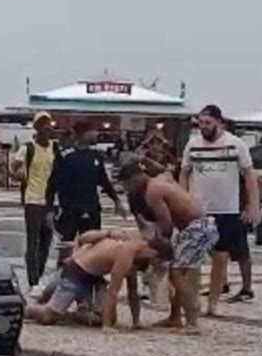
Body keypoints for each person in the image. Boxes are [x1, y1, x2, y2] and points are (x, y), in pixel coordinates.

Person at [120, 162, 218, 333]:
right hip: (200, 225)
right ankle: (175, 317)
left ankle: (192, 322)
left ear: (135, 178)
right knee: (178, 271)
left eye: (128, 185)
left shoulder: (152, 192)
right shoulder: (161, 179)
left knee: (176, 273)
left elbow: (167, 225)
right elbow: (167, 172)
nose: (129, 190)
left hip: (196, 227)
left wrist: (152, 237)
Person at [180, 105, 259, 317]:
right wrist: (184, 199)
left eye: (207, 123)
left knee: (221, 257)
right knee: (193, 255)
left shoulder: (236, 144)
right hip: (199, 210)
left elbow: (250, 176)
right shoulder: (193, 145)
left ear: (218, 122)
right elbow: (184, 172)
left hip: (227, 209)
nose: (203, 127)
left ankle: (213, 303)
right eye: (200, 123)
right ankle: (190, 301)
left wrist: (252, 205)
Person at [25, 228, 171, 329]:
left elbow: (133, 291)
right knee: (48, 317)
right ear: (153, 254)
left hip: (93, 276)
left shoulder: (137, 254)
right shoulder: (126, 252)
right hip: (77, 272)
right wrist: (106, 327)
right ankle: (23, 310)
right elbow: (113, 291)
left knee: (106, 317)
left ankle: (77, 310)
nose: (156, 268)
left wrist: (136, 322)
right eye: (158, 263)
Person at [46, 120, 127, 247]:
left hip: (91, 208)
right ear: (84, 134)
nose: (96, 134)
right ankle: (63, 265)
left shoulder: (95, 156)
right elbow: (52, 183)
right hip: (69, 209)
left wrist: (116, 200)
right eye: (93, 131)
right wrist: (50, 209)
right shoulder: (65, 156)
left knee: (92, 245)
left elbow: (103, 180)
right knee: (66, 244)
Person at [11, 112, 58, 293]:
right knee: (33, 241)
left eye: (49, 126)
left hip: (50, 201)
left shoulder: (54, 148)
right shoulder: (28, 148)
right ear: (37, 128)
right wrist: (19, 176)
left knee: (47, 240)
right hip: (33, 199)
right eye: (43, 126)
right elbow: (14, 167)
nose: (47, 129)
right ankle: (33, 281)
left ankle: (39, 275)